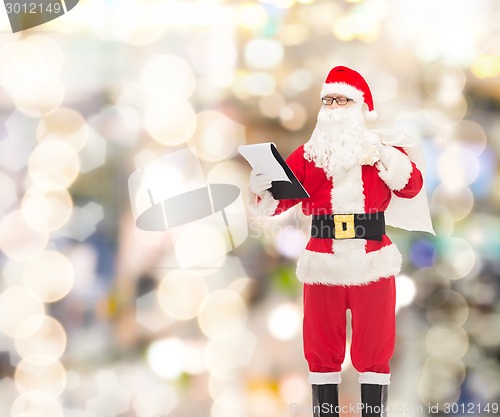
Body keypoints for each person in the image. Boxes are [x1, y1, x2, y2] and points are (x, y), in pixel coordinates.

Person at [249, 66, 426, 417]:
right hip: (322, 261)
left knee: (375, 348)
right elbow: (278, 203)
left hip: (372, 257)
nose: (333, 107)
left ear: (360, 106)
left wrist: (384, 156)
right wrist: (263, 189)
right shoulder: (309, 155)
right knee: (320, 345)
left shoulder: (382, 152)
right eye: (327, 100)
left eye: (341, 100)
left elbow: (411, 185)